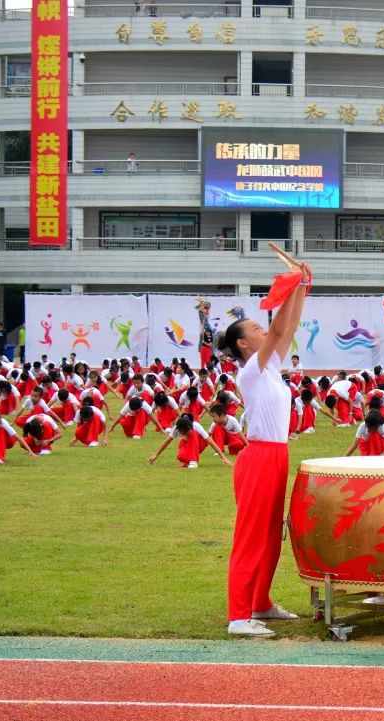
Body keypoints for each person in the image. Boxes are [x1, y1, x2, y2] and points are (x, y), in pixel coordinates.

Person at [215, 258, 310, 637]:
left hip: (278, 455)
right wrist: (289, 288)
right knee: (251, 535)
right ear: (243, 343)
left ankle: (261, 603)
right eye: (254, 327)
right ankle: (239, 616)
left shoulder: (270, 367)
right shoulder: (250, 369)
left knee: (273, 534)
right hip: (258, 458)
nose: (263, 329)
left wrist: (302, 286)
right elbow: (276, 332)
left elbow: (287, 328)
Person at [149, 413, 232, 469]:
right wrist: (156, 455)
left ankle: (193, 461)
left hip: (200, 443)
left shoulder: (196, 426)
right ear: (181, 430)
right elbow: (167, 442)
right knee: (181, 457)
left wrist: (223, 458)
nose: (189, 431)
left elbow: (210, 441)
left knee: (194, 434)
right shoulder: (176, 429)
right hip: (186, 443)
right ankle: (188, 461)